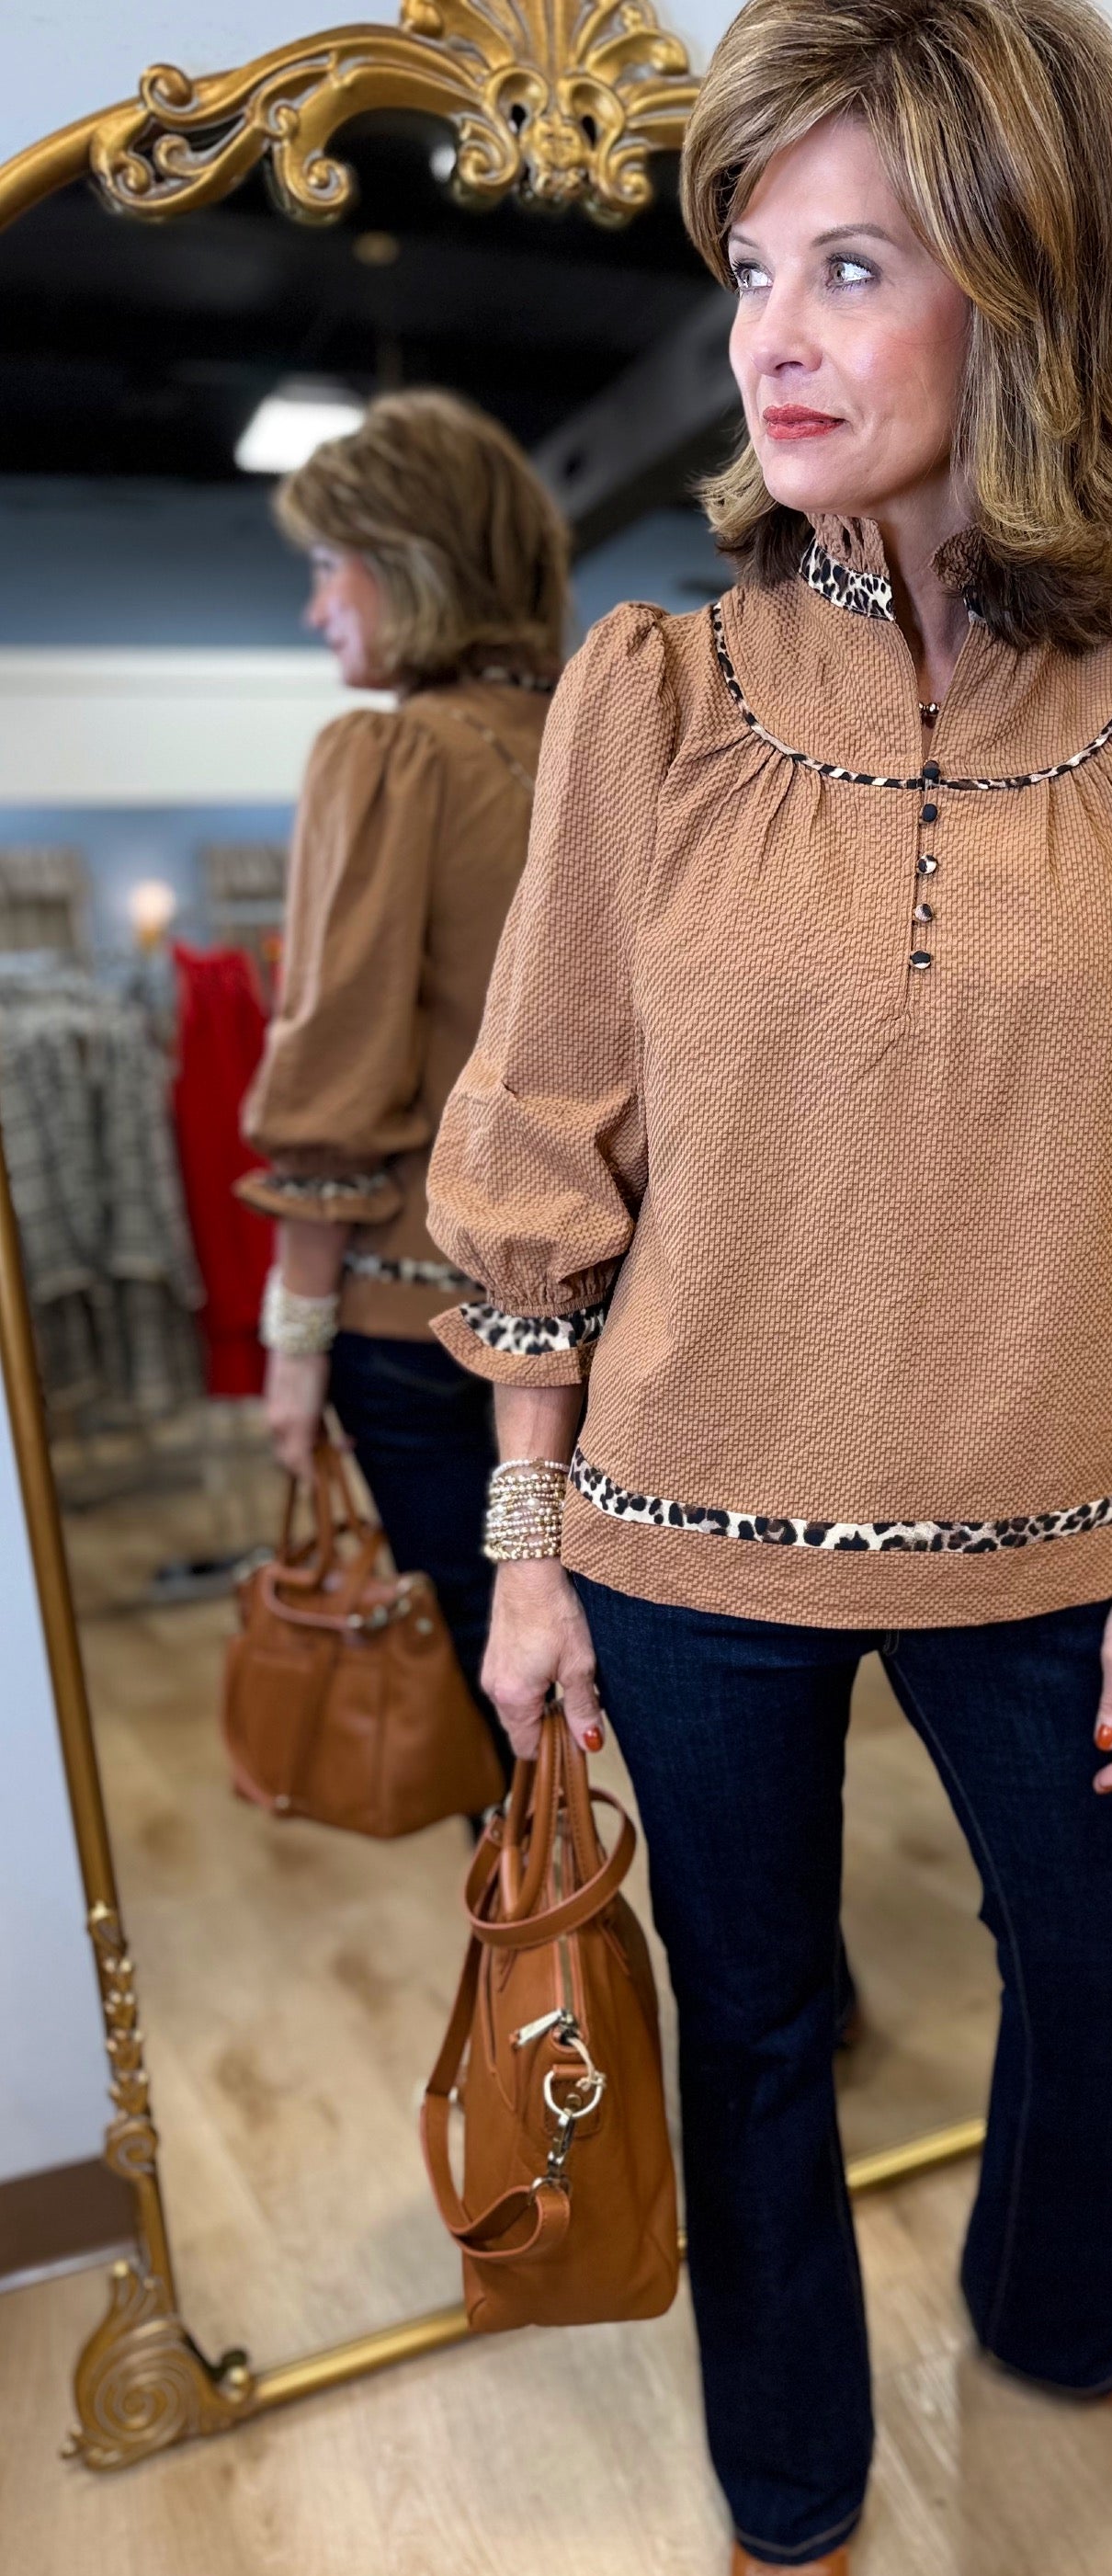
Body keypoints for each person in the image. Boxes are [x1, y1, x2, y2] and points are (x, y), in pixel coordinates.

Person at [426, 0, 1112, 2576]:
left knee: (1104, 1974)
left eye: (854, 267)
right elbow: (541, 1134)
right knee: (760, 2026)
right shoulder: (650, 698)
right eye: (751, 271)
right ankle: (793, 2478)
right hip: (680, 1539)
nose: (775, 338)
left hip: (1052, 1534)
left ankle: (1060, 2310)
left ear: (1020, 298)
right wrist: (526, 1548)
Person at [238, 389, 567, 1766]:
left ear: (409, 559)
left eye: (329, 565)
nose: (316, 607)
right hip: (608, 1317)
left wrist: (295, 1339)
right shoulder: (609, 745)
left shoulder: (390, 757)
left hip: (418, 1319)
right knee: (633, 1688)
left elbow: (336, 1067)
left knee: (501, 1706)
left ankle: (535, 1912)